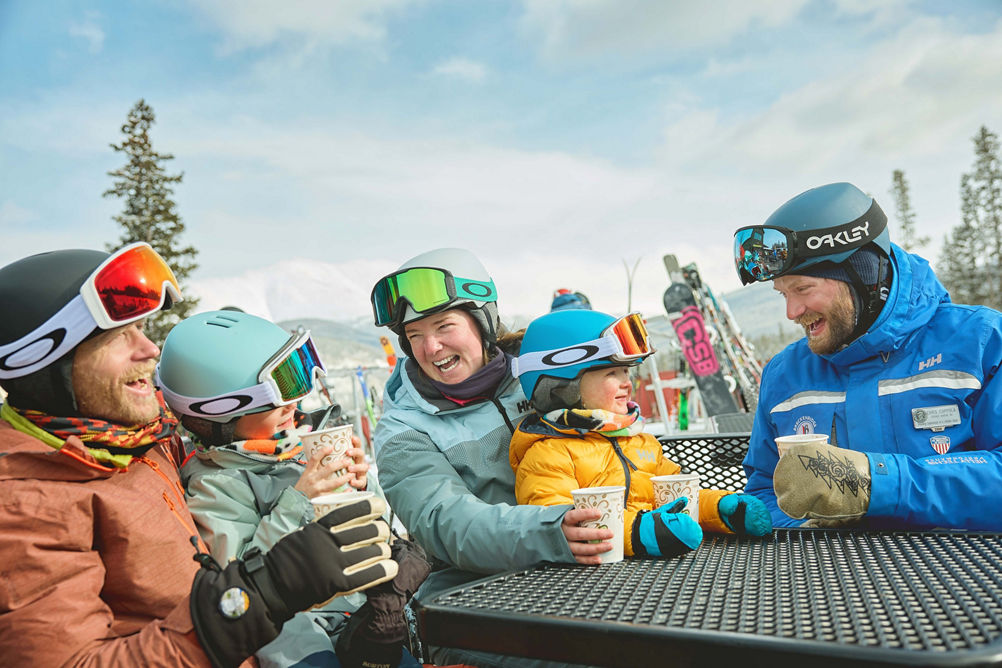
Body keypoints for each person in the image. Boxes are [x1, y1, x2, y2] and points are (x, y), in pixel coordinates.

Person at [0, 244, 398, 667]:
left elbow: (229, 434)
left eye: (142, 329)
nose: (150, 349)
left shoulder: (140, 436)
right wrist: (259, 594)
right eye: (117, 337)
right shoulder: (27, 505)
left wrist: (307, 447)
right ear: (41, 359)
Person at [370, 248, 613, 667]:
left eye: (444, 326)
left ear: (482, 320)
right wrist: (551, 531)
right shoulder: (403, 430)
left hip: (583, 570)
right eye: (414, 335)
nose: (431, 347)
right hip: (470, 597)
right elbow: (448, 523)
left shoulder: (537, 377)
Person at [157, 309, 428, 668]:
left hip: (360, 611)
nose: (294, 402)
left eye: (298, 379)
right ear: (221, 411)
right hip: (293, 633)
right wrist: (299, 500)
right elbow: (240, 575)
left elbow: (371, 528)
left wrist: (361, 485)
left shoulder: (296, 448)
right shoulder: (216, 484)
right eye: (281, 388)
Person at [734, 181, 1002, 529]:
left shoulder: (981, 342)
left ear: (863, 277)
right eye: (783, 293)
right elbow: (766, 492)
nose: (792, 311)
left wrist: (880, 484)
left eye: (803, 288)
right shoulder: (785, 373)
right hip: (831, 566)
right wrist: (800, 531)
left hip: (959, 563)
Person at [510, 309, 771, 559]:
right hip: (590, 578)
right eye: (612, 373)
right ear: (563, 385)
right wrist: (640, 532)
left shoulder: (641, 442)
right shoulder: (549, 453)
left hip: (650, 573)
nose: (627, 382)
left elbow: (676, 497)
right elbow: (561, 522)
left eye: (626, 371)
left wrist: (720, 508)